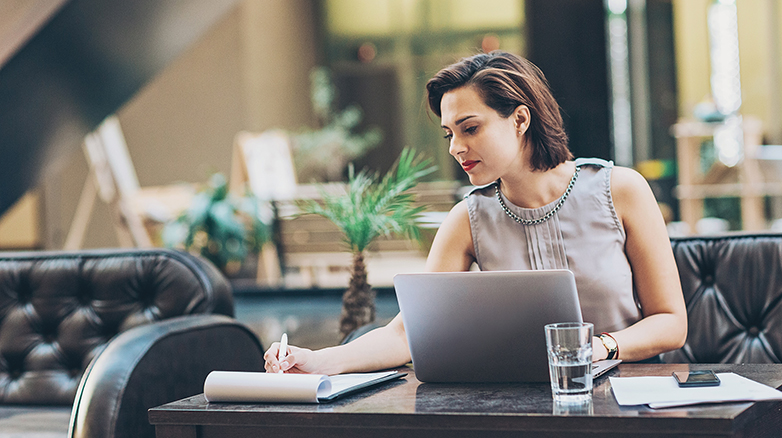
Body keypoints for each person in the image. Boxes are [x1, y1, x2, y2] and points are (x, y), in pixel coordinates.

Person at [264, 51, 687, 375]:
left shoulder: (621, 189)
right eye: (449, 133)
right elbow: (408, 332)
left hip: (631, 395)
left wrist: (601, 348)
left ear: (520, 119)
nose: (455, 147)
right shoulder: (467, 219)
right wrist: (318, 362)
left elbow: (670, 322)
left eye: (470, 128)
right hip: (527, 410)